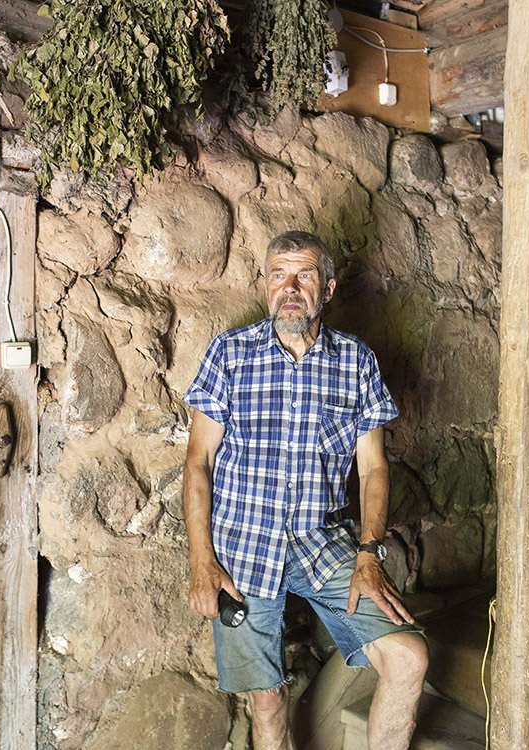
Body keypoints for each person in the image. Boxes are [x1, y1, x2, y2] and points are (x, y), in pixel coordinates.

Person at [182, 230, 428, 749]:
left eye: (304, 275)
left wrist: (369, 553)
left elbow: (373, 468)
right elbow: (198, 461)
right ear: (265, 284)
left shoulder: (356, 362)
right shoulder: (230, 353)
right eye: (278, 275)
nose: (289, 287)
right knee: (268, 700)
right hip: (244, 547)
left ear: (328, 288)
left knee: (408, 657)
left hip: (325, 541)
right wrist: (201, 559)